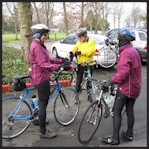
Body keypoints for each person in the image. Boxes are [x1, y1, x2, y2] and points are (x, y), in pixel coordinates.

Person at [29, 24, 71, 139]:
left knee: (41, 102)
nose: (46, 37)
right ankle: (43, 132)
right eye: (45, 35)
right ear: (38, 35)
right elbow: (43, 65)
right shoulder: (37, 47)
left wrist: (60, 61)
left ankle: (39, 119)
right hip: (41, 78)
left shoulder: (39, 44)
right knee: (43, 104)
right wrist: (59, 67)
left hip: (39, 76)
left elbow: (48, 60)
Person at [101, 28, 142, 145]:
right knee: (130, 110)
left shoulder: (125, 53)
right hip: (135, 87)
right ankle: (129, 135)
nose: (117, 41)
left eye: (118, 39)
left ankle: (115, 138)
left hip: (126, 88)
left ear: (123, 40)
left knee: (116, 111)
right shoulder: (134, 51)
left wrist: (111, 81)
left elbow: (123, 73)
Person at [69, 28, 96, 103]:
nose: (79, 39)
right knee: (78, 80)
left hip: (89, 64)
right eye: (79, 37)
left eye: (81, 37)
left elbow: (91, 52)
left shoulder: (91, 42)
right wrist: (72, 52)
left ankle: (89, 96)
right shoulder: (79, 42)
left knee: (89, 81)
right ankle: (76, 97)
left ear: (85, 35)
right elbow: (75, 48)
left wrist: (81, 52)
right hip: (80, 64)